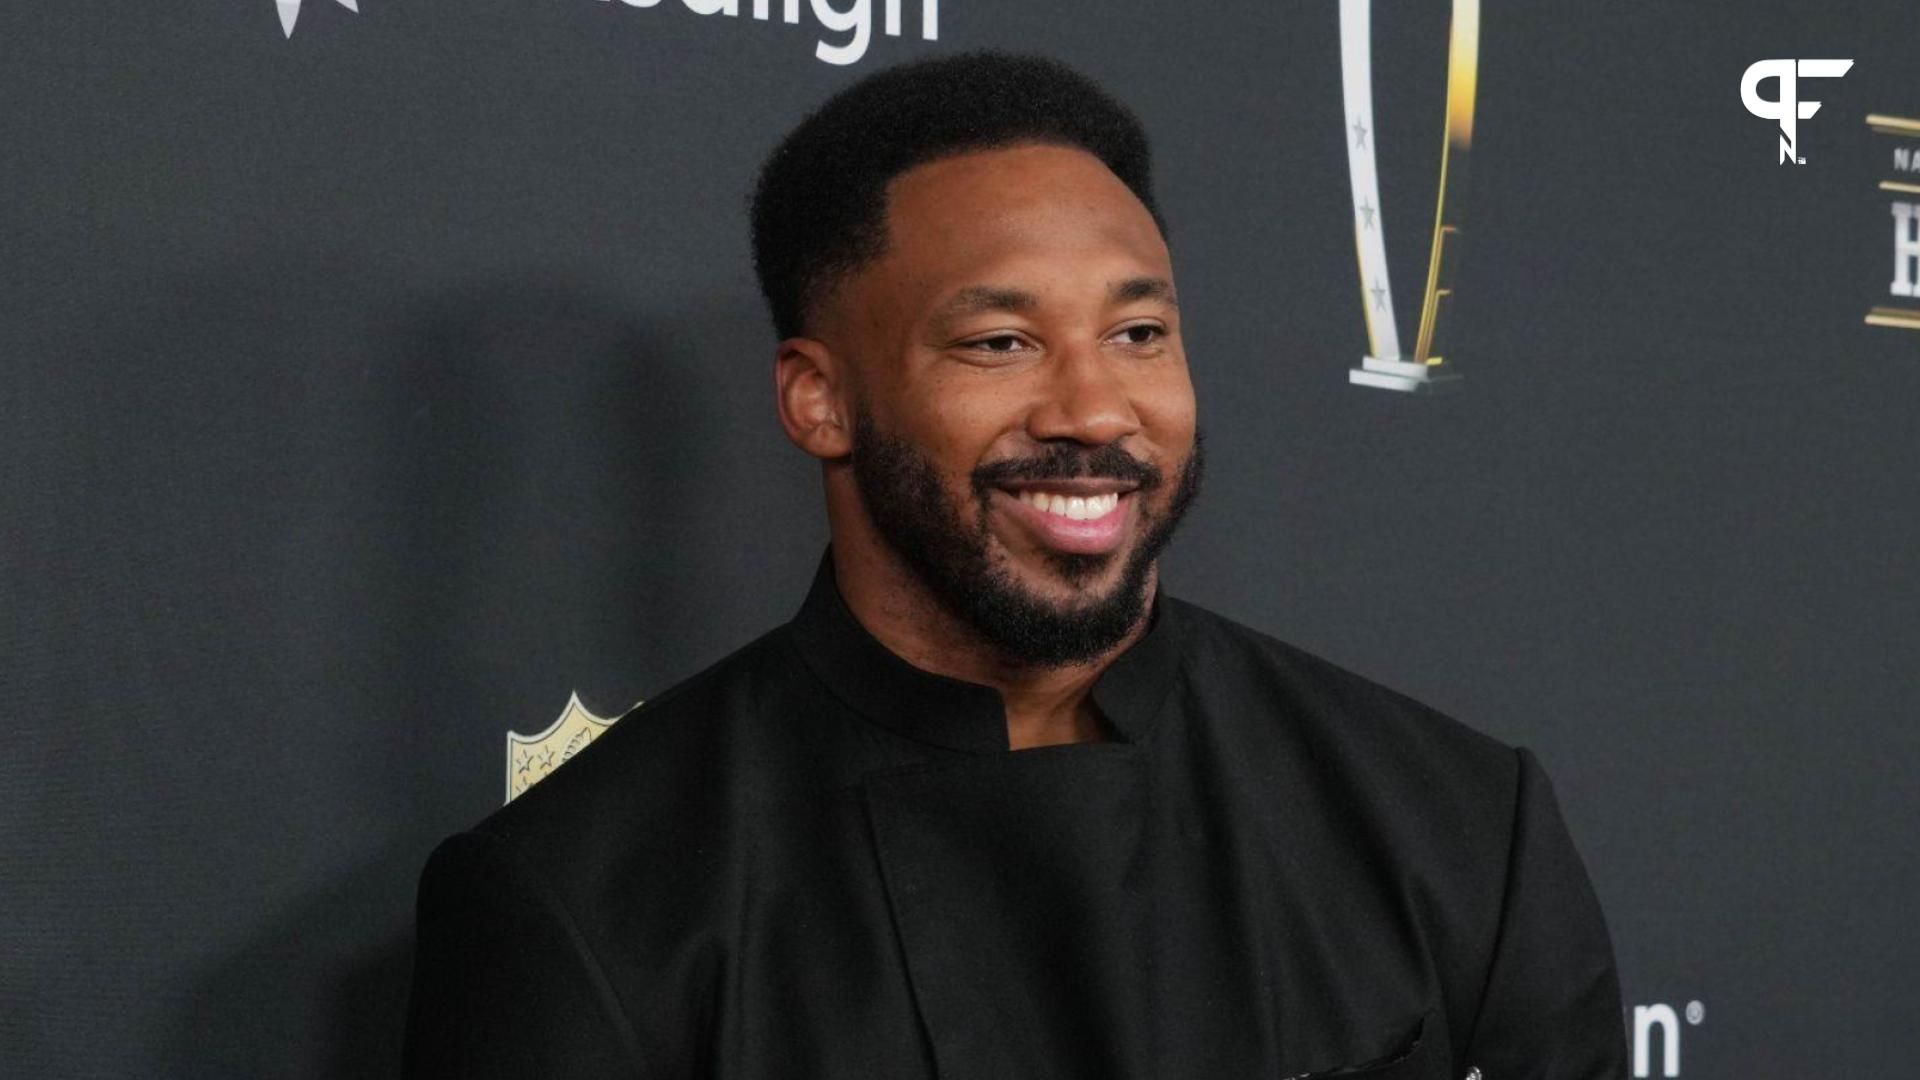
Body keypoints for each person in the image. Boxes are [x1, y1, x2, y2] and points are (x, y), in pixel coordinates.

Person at [403, 51, 1627, 1079]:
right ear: (819, 399)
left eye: (1139, 334)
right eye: (1001, 341)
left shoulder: (1459, 828)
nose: (1095, 409)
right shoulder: (586, 907)